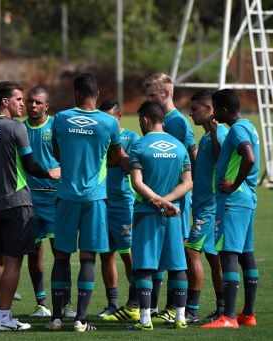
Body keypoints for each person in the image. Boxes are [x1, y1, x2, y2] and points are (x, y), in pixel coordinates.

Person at [0, 81, 60, 332]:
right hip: (18, 203)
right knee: (13, 262)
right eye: (19, 99)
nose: (24, 104)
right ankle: (5, 319)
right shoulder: (16, 128)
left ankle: (0, 315)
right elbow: (30, 164)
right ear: (5, 102)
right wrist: (49, 174)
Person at [46, 73, 121, 332]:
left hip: (65, 196)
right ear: (97, 94)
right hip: (95, 198)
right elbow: (115, 156)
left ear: (75, 92)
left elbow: (56, 152)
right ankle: (80, 320)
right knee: (88, 258)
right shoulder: (109, 122)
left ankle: (56, 317)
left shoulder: (61, 119)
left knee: (61, 257)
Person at [126, 100, 192, 331]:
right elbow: (188, 183)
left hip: (146, 213)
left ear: (145, 120)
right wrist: (168, 202)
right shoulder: (179, 147)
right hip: (174, 214)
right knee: (177, 265)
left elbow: (136, 182)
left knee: (144, 266)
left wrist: (159, 202)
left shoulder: (139, 146)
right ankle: (181, 318)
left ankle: (145, 320)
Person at [201, 89, 260, 329]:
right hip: (247, 198)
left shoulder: (237, 129)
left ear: (224, 110)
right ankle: (248, 314)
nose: (213, 112)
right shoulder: (249, 125)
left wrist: (233, 184)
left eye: (215, 108)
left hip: (234, 200)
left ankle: (228, 317)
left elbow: (249, 157)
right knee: (246, 255)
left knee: (228, 254)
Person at [143, 72, 197, 321]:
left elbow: (176, 161)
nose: (150, 100)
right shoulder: (178, 120)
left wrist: (167, 196)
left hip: (171, 198)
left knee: (174, 254)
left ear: (166, 94)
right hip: (171, 196)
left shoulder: (173, 123)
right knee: (169, 253)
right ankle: (163, 307)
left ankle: (174, 308)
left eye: (153, 95)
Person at [23, 86, 75, 318]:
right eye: (29, 101)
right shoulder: (20, 129)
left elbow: (72, 154)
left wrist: (62, 170)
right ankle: (41, 302)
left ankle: (66, 303)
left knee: (60, 252)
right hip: (29, 199)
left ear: (47, 106)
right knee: (34, 253)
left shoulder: (56, 126)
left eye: (37, 102)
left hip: (55, 199)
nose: (32, 106)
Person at [184, 90, 227, 324]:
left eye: (195, 109)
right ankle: (222, 308)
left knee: (191, 250)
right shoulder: (206, 138)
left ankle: (192, 309)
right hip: (202, 206)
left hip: (210, 207)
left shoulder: (218, 133)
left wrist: (214, 130)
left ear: (209, 110)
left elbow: (223, 162)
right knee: (213, 257)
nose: (191, 114)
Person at [96, 99, 139, 320]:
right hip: (101, 201)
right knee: (106, 254)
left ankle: (135, 304)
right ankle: (112, 304)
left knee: (128, 256)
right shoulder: (96, 137)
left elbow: (128, 167)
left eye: (109, 118)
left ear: (119, 117)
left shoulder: (131, 138)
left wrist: (115, 142)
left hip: (123, 203)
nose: (105, 122)